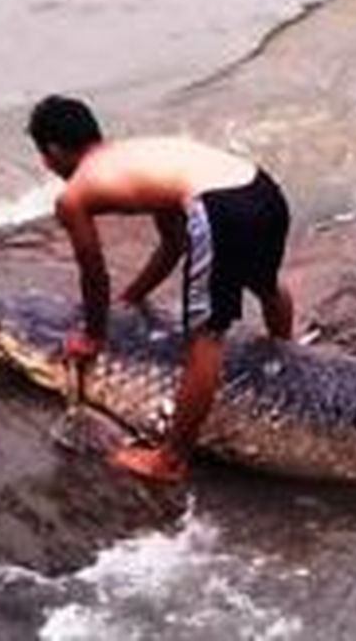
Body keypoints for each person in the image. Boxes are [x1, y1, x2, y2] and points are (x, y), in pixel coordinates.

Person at [27, 94, 294, 482]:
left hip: (219, 207)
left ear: (52, 151)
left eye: (44, 156)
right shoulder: (133, 157)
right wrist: (133, 296)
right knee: (265, 284)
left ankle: (170, 460)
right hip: (261, 188)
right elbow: (173, 243)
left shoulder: (74, 195)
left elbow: (93, 273)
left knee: (206, 336)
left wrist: (92, 335)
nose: (47, 165)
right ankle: (286, 363)